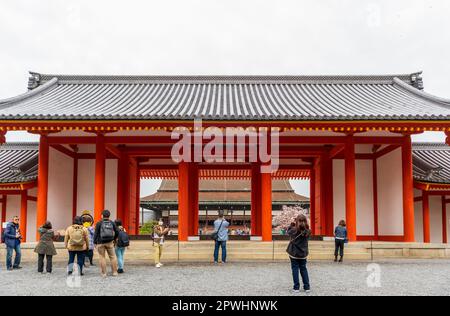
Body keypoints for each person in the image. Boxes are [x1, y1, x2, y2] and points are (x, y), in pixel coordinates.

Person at [287, 214, 311, 294]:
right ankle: (307, 287)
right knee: (303, 269)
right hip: (303, 254)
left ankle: (296, 287)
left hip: (294, 253)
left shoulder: (293, 230)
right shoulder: (308, 231)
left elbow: (288, 232)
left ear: (297, 221)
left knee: (295, 269)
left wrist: (292, 225)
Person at [94, 210, 119, 277]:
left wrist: (94, 242)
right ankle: (115, 272)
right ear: (109, 215)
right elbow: (117, 231)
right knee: (113, 257)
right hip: (110, 242)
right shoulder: (112, 222)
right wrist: (114, 239)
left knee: (102, 257)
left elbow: (95, 233)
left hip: (100, 243)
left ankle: (104, 273)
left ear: (102, 215)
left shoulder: (99, 223)